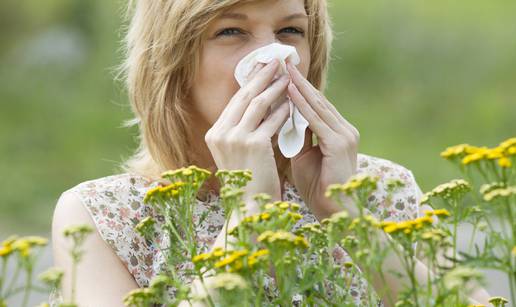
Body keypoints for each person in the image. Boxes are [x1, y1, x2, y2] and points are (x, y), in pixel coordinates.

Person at [51, 0, 492, 306]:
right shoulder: (103, 216)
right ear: (172, 62)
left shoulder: (380, 190)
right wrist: (249, 213)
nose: (273, 58)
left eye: (289, 31)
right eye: (231, 31)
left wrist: (347, 215)